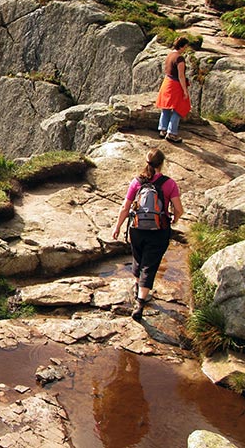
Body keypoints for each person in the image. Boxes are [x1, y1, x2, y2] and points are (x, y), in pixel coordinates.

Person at [111, 148, 184, 321]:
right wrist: (174, 219)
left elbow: (125, 207)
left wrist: (117, 227)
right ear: (162, 163)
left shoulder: (137, 182)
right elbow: (179, 209)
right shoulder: (169, 184)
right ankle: (140, 302)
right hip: (159, 230)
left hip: (136, 229)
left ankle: (138, 287)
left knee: (138, 258)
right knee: (150, 265)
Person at [156, 36, 191, 143]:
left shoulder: (170, 54)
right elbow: (181, 76)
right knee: (179, 108)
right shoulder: (179, 58)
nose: (185, 49)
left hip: (167, 82)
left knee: (166, 107)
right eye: (185, 47)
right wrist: (185, 91)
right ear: (181, 47)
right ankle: (171, 133)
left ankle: (163, 129)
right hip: (175, 85)